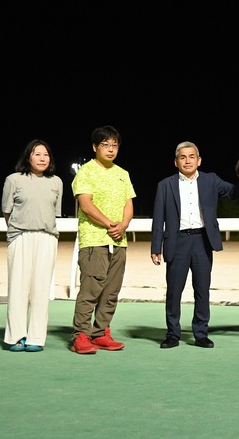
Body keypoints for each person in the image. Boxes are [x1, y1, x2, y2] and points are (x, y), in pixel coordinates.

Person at [151, 141, 238, 349]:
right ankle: (172, 334)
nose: (187, 161)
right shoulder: (165, 185)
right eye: (183, 157)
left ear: (199, 160)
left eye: (191, 157)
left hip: (202, 241)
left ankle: (201, 334)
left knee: (202, 290)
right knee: (174, 292)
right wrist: (155, 248)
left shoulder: (211, 180)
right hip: (177, 242)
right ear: (176, 162)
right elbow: (158, 219)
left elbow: (234, 192)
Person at [70, 125, 136, 354]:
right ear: (95, 147)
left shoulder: (123, 173)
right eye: (105, 145)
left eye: (114, 145)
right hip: (94, 240)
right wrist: (110, 224)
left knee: (111, 292)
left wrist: (124, 225)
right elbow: (86, 205)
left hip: (119, 241)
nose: (110, 149)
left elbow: (129, 204)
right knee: (90, 291)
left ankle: (100, 333)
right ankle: (81, 335)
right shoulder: (86, 172)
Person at [2, 139, 63, 352]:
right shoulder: (13, 180)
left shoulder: (56, 182)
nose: (42, 158)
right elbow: (7, 212)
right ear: (28, 157)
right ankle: (16, 336)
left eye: (46, 155)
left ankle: (36, 337)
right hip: (20, 237)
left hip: (47, 238)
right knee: (18, 289)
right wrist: (18, 230)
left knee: (41, 289)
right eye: (37, 154)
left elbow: (54, 213)